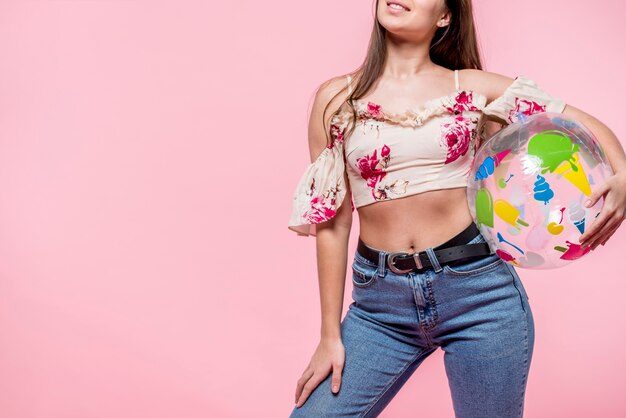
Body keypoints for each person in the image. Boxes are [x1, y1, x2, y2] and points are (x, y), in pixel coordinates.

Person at [287, 1, 626, 416]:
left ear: (445, 16)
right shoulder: (337, 98)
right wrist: (329, 336)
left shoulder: (474, 87)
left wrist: (623, 174)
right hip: (380, 306)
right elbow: (333, 221)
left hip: (479, 295)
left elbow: (583, 122)